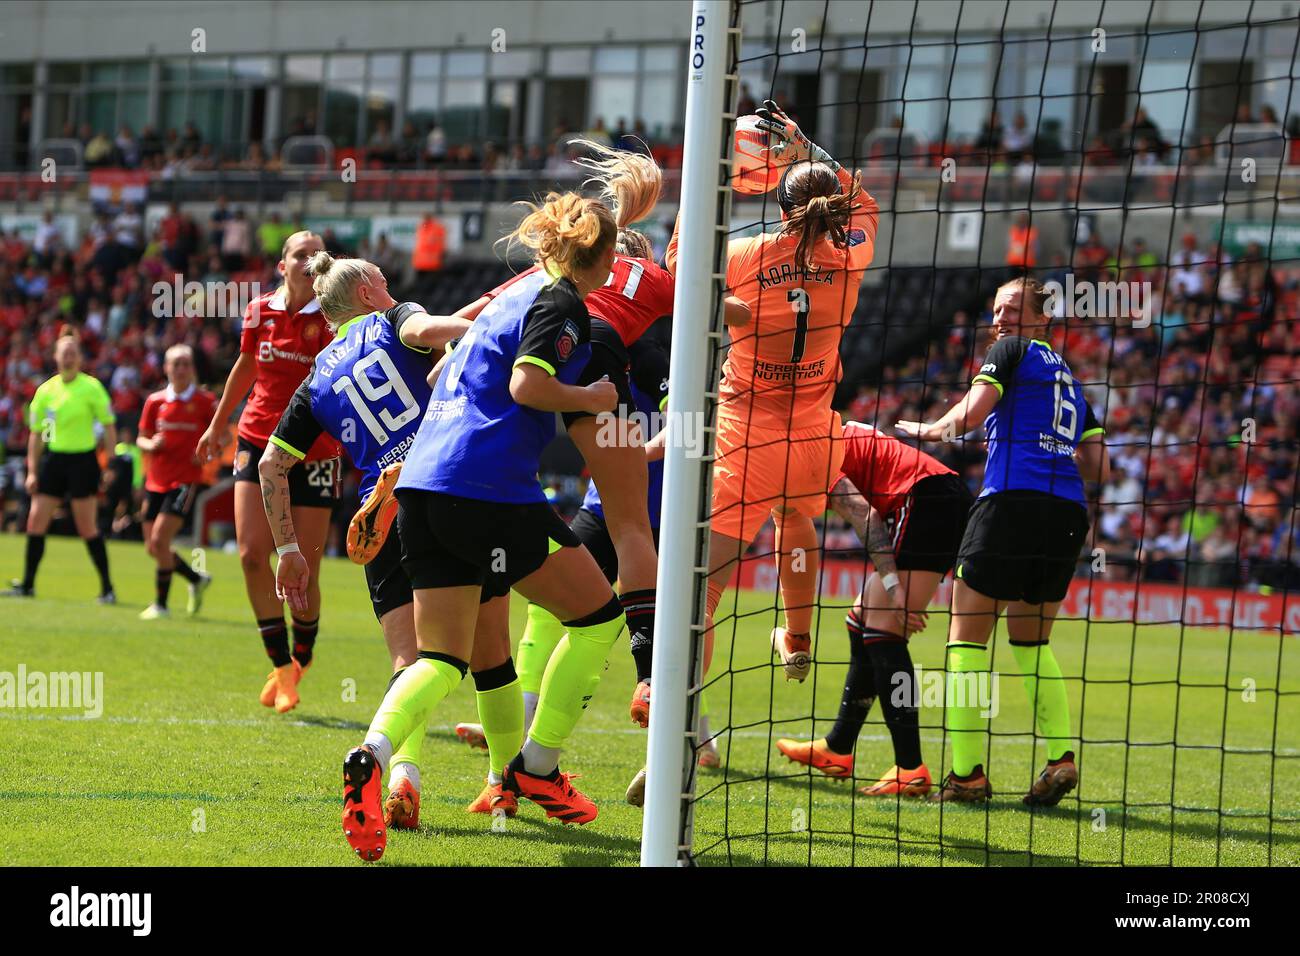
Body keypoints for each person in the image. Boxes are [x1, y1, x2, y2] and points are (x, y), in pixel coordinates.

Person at [338, 192, 625, 861]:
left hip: (423, 488)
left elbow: (444, 369)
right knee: (600, 615)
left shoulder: (501, 302)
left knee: (440, 659)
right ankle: (537, 767)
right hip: (487, 489)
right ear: (602, 256)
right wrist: (590, 397)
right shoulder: (561, 304)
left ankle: (372, 755)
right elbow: (528, 386)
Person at [666, 102, 879, 765]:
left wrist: (718, 175)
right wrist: (801, 144)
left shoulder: (746, 254)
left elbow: (678, 265)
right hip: (815, 435)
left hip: (747, 431)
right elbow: (862, 197)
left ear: (783, 210)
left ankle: (685, 726)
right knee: (797, 519)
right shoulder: (850, 259)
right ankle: (797, 635)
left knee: (707, 585)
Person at [259, 252, 473, 832]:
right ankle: (516, 775)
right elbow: (428, 330)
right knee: (474, 648)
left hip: (377, 517)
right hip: (436, 486)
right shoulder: (394, 318)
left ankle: (403, 779)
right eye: (383, 280)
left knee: (408, 661)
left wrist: (288, 550)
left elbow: (270, 464)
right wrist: (487, 325)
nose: (390, 286)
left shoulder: (315, 378)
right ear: (366, 293)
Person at [895, 276, 1109, 805]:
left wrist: (927, 430)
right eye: (996, 310)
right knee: (1032, 642)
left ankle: (966, 775)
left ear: (1042, 319)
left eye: (1013, 308)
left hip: (1010, 503)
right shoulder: (1072, 383)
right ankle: (1060, 758)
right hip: (1066, 515)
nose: (1001, 319)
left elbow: (971, 413)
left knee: (965, 640)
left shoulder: (1011, 352)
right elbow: (1100, 466)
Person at [775, 422, 973, 798]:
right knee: (862, 619)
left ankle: (911, 768)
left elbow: (865, 515)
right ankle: (838, 748)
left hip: (925, 499)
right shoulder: (819, 429)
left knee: (884, 629)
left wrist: (896, 588)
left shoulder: (806, 451)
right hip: (939, 495)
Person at [196, 231, 341, 714]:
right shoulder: (258, 310)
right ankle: (281, 667)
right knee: (251, 555)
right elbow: (244, 366)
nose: (309, 260)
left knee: (303, 567)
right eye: (301, 253)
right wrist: (219, 425)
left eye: (317, 255)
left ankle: (300, 660)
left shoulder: (333, 315)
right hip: (256, 438)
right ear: (283, 265)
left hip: (315, 451)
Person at [4, 332, 117, 601]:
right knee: (35, 521)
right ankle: (28, 585)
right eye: (63, 353)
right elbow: (35, 434)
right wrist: (32, 471)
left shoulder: (92, 388)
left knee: (86, 527)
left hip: (82, 460)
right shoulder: (45, 391)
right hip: (54, 460)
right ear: (55, 357)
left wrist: (110, 463)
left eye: (72, 353)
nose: (68, 357)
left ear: (79, 358)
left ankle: (107, 589)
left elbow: (110, 427)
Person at [136, 345, 216, 619]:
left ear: (192, 368)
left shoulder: (205, 402)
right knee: (152, 547)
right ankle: (195, 579)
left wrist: (208, 452)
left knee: (160, 539)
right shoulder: (155, 401)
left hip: (185, 480)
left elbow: (225, 436)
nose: (180, 369)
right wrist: (150, 444)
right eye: (175, 364)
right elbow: (141, 438)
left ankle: (161, 605)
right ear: (166, 368)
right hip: (155, 480)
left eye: (185, 363)